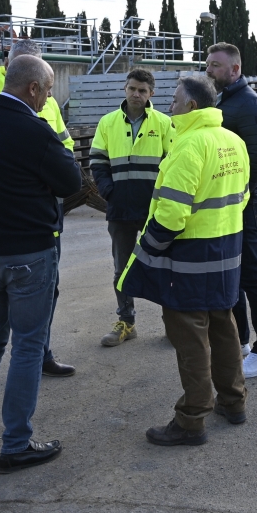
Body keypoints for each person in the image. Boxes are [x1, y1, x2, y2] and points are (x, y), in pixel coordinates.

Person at [0, 54, 82, 473]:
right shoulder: (34, 129)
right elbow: (71, 182)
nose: (48, 100)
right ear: (32, 88)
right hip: (28, 254)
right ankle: (16, 444)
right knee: (27, 345)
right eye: (47, 91)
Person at [117, 74, 249, 446]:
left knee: (190, 340)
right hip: (225, 253)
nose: (169, 105)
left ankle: (192, 421)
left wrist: (148, 251)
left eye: (175, 100)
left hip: (190, 259)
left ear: (191, 106)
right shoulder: (232, 141)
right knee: (224, 326)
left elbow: (172, 215)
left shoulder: (189, 145)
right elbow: (242, 197)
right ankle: (234, 402)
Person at [204, 42, 257, 378]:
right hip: (229, 204)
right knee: (233, 274)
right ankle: (242, 341)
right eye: (207, 65)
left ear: (235, 69)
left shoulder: (250, 105)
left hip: (244, 204)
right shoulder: (224, 101)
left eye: (215, 66)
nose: (209, 71)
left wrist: (231, 190)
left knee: (251, 275)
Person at [89, 67, 175, 347]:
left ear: (152, 93)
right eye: (132, 89)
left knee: (164, 266)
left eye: (142, 90)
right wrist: (108, 191)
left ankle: (173, 325)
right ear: (125, 89)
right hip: (120, 209)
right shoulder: (108, 122)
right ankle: (126, 322)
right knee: (122, 269)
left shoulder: (164, 123)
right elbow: (98, 161)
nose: (136, 94)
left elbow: (174, 163)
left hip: (155, 210)